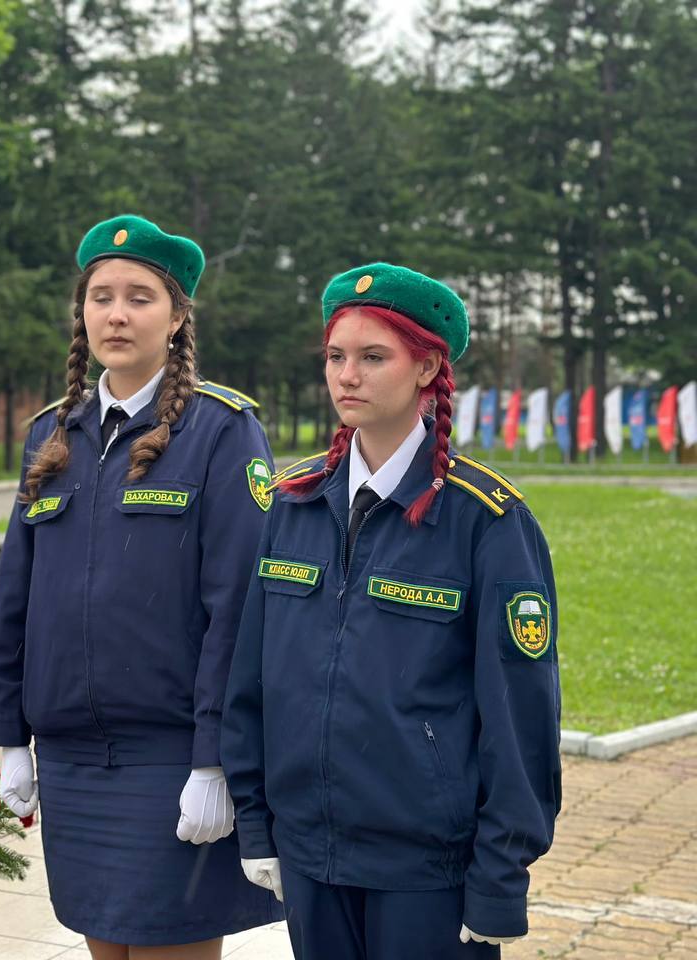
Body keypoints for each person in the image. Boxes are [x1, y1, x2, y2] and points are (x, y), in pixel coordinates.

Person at [221, 263, 561, 959]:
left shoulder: (484, 520)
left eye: (374, 357)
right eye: (336, 357)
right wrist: (256, 824)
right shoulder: (293, 504)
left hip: (427, 873)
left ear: (427, 368)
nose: (347, 376)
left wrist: (500, 879)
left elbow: (520, 719)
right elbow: (251, 681)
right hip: (309, 857)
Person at [0, 215, 282, 958]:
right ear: (82, 312)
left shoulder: (220, 430)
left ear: (177, 317)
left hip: (170, 757)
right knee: (105, 948)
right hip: (71, 760)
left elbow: (238, 609)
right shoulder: (52, 433)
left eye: (140, 297)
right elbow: (15, 595)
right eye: (101, 296)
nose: (116, 314)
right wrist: (9, 736)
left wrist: (215, 760)